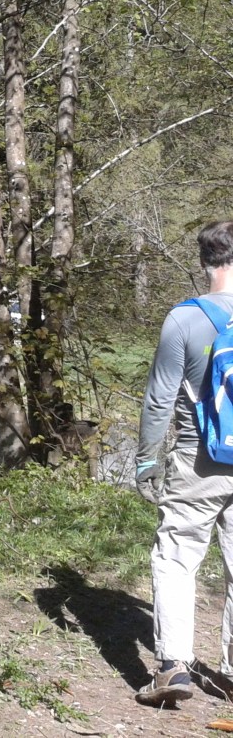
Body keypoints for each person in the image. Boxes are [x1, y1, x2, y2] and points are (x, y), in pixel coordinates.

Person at [135, 220, 233, 705]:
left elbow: (159, 400)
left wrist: (145, 462)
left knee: (176, 558)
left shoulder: (185, 319)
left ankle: (173, 667)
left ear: (204, 262)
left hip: (199, 459)